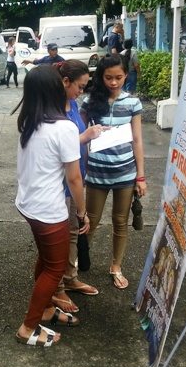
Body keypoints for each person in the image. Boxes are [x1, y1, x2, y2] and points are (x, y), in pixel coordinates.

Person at [12, 64, 88, 348]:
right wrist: (82, 214)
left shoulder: (28, 122)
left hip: (29, 204)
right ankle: (28, 327)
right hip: (48, 210)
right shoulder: (65, 127)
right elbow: (74, 178)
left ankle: (44, 309)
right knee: (55, 269)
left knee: (46, 260)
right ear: (55, 90)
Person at [81, 54, 147, 290]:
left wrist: (141, 176)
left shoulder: (132, 103)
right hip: (97, 172)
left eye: (118, 77)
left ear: (126, 76)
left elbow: (137, 140)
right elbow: (78, 136)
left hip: (125, 174)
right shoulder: (89, 101)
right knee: (90, 220)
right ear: (101, 77)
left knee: (120, 222)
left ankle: (116, 266)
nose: (113, 82)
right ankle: (78, 261)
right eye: (108, 77)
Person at [51, 60, 102, 314]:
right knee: (59, 237)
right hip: (60, 183)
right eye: (79, 86)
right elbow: (62, 145)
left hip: (76, 175)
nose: (81, 91)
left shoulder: (71, 105)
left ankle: (69, 278)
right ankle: (56, 287)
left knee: (72, 232)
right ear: (65, 82)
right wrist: (87, 136)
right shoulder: (52, 110)